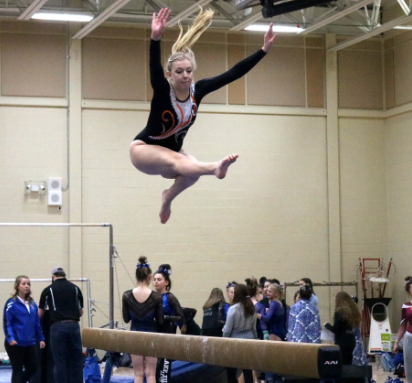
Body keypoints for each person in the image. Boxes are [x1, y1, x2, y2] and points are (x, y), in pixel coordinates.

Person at [130, 8, 276, 224]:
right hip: (143, 150)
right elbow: (154, 66)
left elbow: (232, 74)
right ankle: (214, 167)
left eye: (189, 70)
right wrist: (156, 37)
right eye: (179, 72)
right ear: (169, 75)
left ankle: (167, 197)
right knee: (185, 162)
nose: (185, 75)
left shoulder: (197, 91)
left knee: (192, 172)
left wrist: (263, 50)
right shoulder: (163, 91)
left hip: (172, 153)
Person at [38, 267, 84, 383]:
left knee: (59, 362)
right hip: (74, 326)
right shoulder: (76, 289)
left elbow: (40, 313)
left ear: (53, 277)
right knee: (77, 361)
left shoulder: (48, 290)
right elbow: (80, 312)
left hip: (57, 327)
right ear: (64, 275)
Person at [122, 257, 164, 383]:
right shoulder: (157, 297)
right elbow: (160, 321)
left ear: (136, 277)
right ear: (150, 277)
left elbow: (126, 318)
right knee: (151, 374)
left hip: (134, 334)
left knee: (138, 374)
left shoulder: (127, 295)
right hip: (151, 334)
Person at [3, 275, 45, 383]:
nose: (27, 286)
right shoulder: (11, 303)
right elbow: (7, 323)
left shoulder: (32, 303)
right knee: (17, 369)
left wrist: (41, 338)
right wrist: (10, 338)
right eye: (24, 284)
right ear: (17, 286)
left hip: (29, 342)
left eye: (28, 284)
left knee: (33, 367)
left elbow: (36, 323)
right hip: (15, 342)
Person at [153, 264, 186, 383]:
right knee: (156, 371)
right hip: (155, 336)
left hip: (168, 335)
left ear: (166, 282)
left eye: (159, 279)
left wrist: (164, 317)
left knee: (164, 373)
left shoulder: (170, 297)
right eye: (154, 279)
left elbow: (181, 317)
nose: (156, 282)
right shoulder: (152, 297)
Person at [223, 284, 257, 383]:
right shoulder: (252, 308)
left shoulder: (233, 309)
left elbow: (228, 330)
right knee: (247, 370)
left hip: (235, 341)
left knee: (232, 369)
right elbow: (254, 328)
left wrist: (222, 342)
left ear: (236, 294)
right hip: (249, 338)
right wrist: (256, 341)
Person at [324, 291, 359, 365]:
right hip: (351, 341)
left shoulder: (339, 312)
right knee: (348, 363)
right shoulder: (352, 312)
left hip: (342, 342)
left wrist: (327, 325)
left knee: (341, 364)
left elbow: (336, 329)